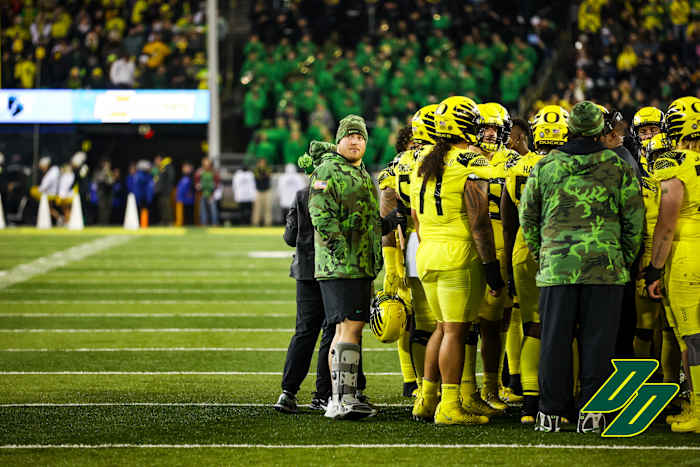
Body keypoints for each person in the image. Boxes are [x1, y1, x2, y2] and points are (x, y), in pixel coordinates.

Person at [520, 101, 643, 433]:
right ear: (600, 129)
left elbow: (527, 217)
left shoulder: (546, 167)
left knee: (554, 339)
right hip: (605, 267)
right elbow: (634, 220)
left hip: (557, 266)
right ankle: (593, 414)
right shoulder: (618, 166)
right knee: (597, 341)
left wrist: (542, 252)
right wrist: (623, 258)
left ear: (569, 127)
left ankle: (549, 413)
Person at [410, 96, 504, 425]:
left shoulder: (422, 158)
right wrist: (492, 270)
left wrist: (429, 246)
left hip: (427, 252)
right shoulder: (470, 161)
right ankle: (450, 404)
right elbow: (479, 223)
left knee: (442, 327)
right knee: (455, 332)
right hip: (457, 254)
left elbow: (415, 217)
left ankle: (427, 398)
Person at [308, 114, 405, 420]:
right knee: (349, 328)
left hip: (359, 264)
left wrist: (386, 223)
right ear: (339, 140)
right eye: (350, 136)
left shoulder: (359, 171)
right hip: (342, 266)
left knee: (345, 330)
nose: (355, 141)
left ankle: (338, 400)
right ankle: (345, 399)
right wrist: (339, 248)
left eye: (360, 137)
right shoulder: (328, 169)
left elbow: (362, 220)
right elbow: (321, 214)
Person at [501, 106, 570, 424]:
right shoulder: (572, 167)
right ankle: (567, 400)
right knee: (568, 329)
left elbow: (508, 221)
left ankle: (529, 403)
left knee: (534, 327)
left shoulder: (516, 168)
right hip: (560, 252)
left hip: (522, 251)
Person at [645, 97, 700, 433]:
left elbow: (667, 220)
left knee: (691, 336)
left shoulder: (674, 161)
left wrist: (654, 267)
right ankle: (693, 403)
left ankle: (699, 408)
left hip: (686, 253)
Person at [195, 157, 219, 226]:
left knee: (213, 209)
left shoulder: (213, 172)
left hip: (211, 194)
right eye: (205, 164)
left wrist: (213, 191)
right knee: (203, 210)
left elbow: (217, 182)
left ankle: (214, 224)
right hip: (202, 193)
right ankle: (204, 224)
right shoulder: (200, 172)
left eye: (207, 164)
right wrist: (198, 186)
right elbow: (196, 182)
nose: (206, 166)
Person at [153, 155, 175, 225]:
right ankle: (164, 221)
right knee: (161, 206)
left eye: (157, 160)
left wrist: (167, 187)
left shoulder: (167, 167)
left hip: (166, 190)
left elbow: (170, 178)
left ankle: (169, 221)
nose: (156, 162)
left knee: (167, 206)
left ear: (160, 160)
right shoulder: (160, 168)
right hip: (160, 191)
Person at [252, 158, 272, 226]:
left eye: (263, 163)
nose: (262, 164)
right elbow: (258, 177)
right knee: (257, 208)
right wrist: (260, 170)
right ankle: (255, 222)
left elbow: (267, 176)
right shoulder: (256, 170)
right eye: (261, 163)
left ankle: (268, 222)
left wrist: (263, 172)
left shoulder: (268, 169)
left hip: (266, 191)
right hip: (258, 191)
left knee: (267, 208)